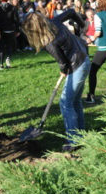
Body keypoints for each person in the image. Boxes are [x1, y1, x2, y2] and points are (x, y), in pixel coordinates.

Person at [22, 10, 89, 151]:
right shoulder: (55, 22)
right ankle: (81, 134)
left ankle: (73, 140)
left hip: (77, 66)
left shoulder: (48, 42)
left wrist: (63, 70)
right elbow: (71, 12)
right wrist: (82, 25)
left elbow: (63, 62)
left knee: (65, 103)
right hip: (84, 59)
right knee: (75, 101)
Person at [0, 0, 19, 70]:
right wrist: (17, 30)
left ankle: (1, 64)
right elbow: (16, 20)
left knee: (1, 47)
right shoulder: (12, 8)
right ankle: (8, 59)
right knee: (9, 46)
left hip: (2, 30)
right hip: (11, 29)